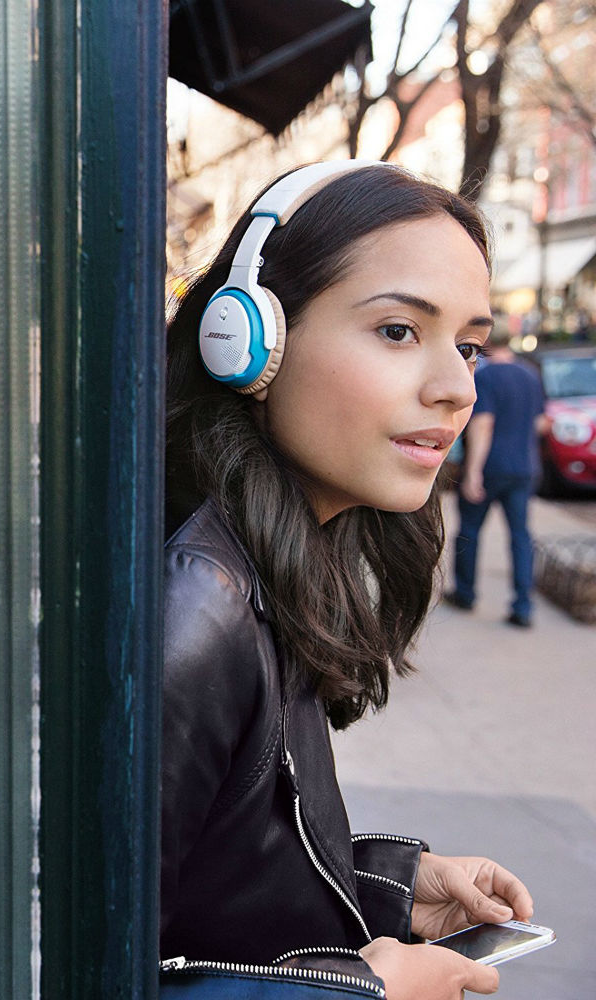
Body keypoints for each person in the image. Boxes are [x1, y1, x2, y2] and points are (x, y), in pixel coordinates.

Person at [162, 161, 534, 1000]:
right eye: (400, 331)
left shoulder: (271, 557)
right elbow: (69, 965)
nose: (458, 388)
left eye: (468, 345)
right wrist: (356, 994)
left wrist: (395, 887)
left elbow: (214, 893)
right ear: (245, 340)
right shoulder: (191, 609)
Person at [446, 322, 549, 627]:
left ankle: (465, 593)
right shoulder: (531, 375)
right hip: (524, 467)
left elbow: (483, 425)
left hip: (491, 467)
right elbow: (542, 423)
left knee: (470, 530)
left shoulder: (486, 376)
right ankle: (523, 606)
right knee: (520, 536)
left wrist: (473, 472)